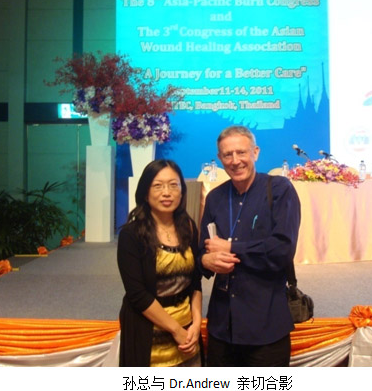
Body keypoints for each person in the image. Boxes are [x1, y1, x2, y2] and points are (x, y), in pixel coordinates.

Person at [198, 125, 301, 366]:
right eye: (227, 155)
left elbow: (282, 250)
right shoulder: (215, 198)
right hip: (222, 325)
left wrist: (231, 248)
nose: (235, 161)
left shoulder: (279, 190)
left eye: (241, 152)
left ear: (255, 152)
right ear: (220, 158)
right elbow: (201, 250)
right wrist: (205, 259)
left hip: (265, 324)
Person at [117, 159, 202, 367]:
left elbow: (195, 282)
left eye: (173, 185)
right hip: (149, 332)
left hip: (187, 331)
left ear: (182, 191)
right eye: (158, 186)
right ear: (145, 193)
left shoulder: (188, 227)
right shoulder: (131, 234)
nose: (167, 193)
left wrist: (197, 323)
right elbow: (137, 295)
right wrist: (176, 330)